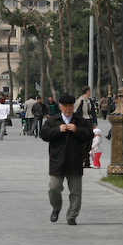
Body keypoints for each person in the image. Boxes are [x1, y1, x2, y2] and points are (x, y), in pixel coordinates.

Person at [40, 93, 94, 226]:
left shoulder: (81, 121)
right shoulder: (53, 121)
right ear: (60, 107)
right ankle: (56, 207)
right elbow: (44, 134)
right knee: (54, 188)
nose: (68, 109)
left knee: (76, 192)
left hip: (75, 160)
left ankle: (72, 216)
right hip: (57, 161)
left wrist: (77, 130)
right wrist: (58, 130)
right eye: (65, 106)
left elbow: (89, 135)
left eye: (70, 106)